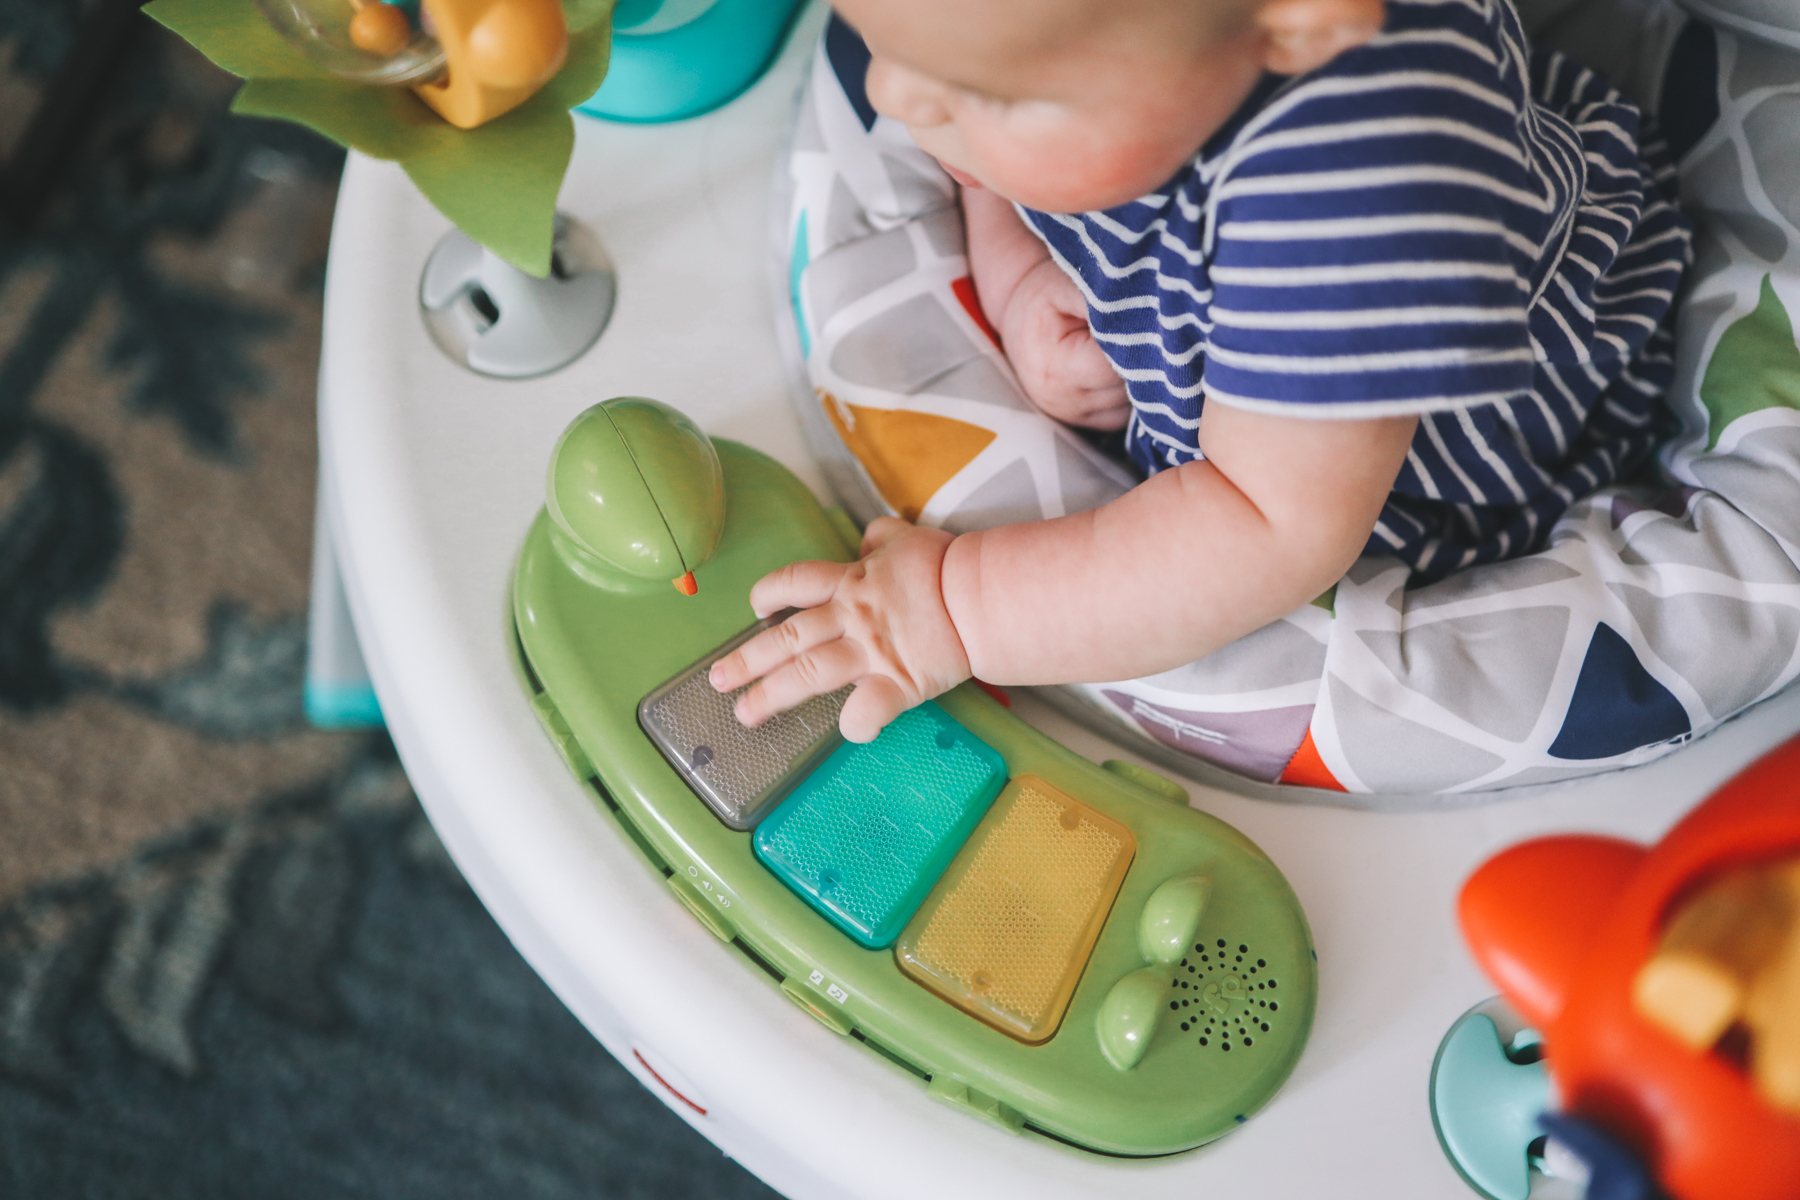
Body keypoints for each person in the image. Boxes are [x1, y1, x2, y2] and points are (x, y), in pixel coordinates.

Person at [711, 0, 1691, 743]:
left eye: (992, 95)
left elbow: (1266, 528)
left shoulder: (1355, 186)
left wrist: (952, 613)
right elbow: (987, 131)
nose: (890, 97)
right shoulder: (1131, 55)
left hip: (1423, 462)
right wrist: (1014, 272)